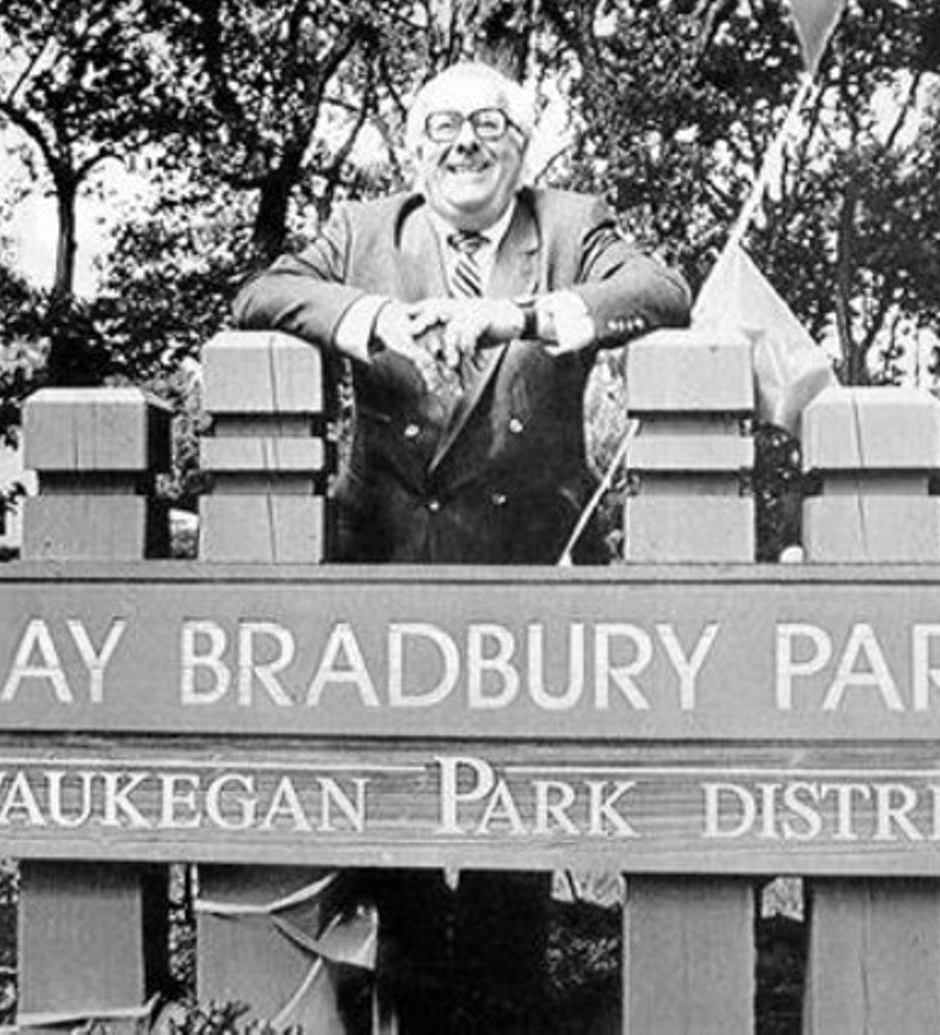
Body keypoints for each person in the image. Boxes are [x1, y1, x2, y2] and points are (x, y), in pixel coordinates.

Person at [232, 60, 691, 1032]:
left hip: (520, 584)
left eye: (489, 123)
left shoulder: (569, 225)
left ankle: (496, 1015)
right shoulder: (364, 233)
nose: (465, 141)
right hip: (382, 577)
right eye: (442, 124)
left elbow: (661, 289)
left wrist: (514, 316)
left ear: (522, 150)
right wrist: (368, 319)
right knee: (387, 839)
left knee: (506, 849)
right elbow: (263, 293)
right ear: (412, 147)